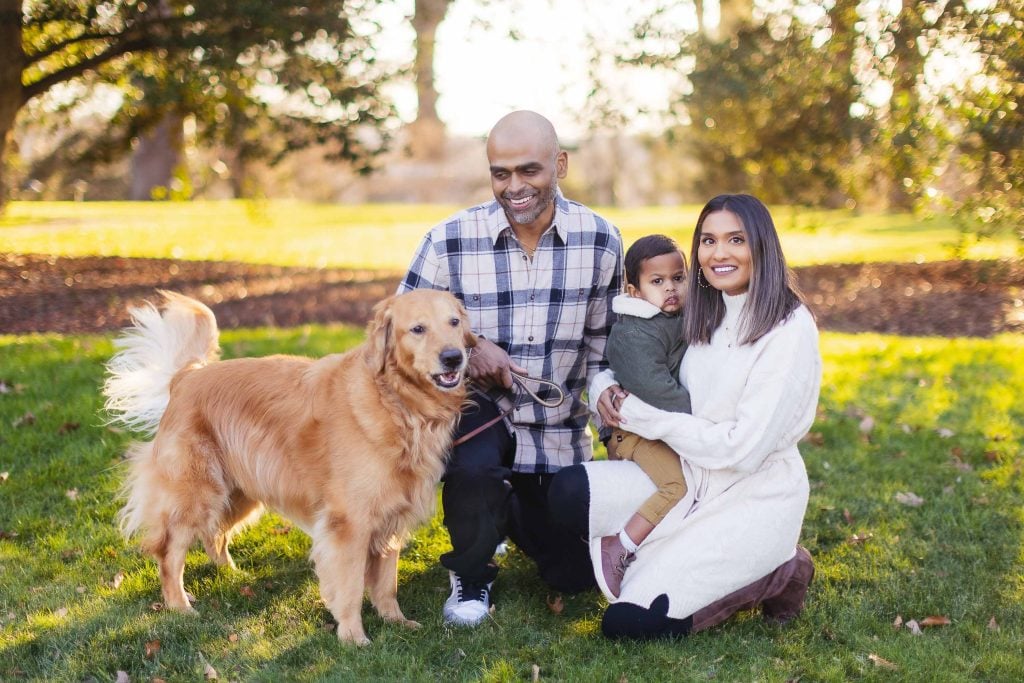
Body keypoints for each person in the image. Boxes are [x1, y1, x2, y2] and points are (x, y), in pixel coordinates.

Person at [550, 193, 821, 639]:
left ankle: (784, 567)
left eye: (736, 239)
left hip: (753, 496)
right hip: (685, 473)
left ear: (762, 245)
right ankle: (663, 552)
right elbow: (641, 356)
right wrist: (604, 389)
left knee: (630, 623)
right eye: (708, 240)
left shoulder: (788, 329)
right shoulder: (701, 309)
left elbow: (741, 450)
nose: (719, 253)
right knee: (569, 492)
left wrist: (636, 416)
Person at [398, 110, 623, 627]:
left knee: (571, 574)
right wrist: (472, 351)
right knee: (475, 466)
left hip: (557, 430)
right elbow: (401, 337)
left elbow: (603, 352)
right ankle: (472, 570)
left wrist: (614, 428)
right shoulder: (449, 240)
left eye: (530, 171)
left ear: (560, 165)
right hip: (473, 412)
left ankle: (502, 519)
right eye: (501, 173)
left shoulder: (600, 241)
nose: (514, 187)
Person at [599, 234, 691, 598]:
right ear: (634, 290)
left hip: (656, 427)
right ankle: (618, 545)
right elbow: (658, 391)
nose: (670, 289)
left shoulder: (673, 316)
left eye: (678, 279)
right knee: (676, 486)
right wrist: (706, 418)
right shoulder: (633, 333)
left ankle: (655, 558)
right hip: (631, 432)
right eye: (657, 282)